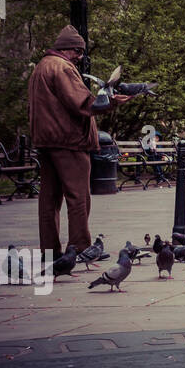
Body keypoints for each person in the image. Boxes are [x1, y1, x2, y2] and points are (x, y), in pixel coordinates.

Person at [27, 25, 132, 257]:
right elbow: (82, 103)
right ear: (67, 49)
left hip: (46, 141)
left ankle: (49, 251)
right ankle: (80, 248)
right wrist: (113, 101)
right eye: (78, 51)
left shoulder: (41, 68)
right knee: (78, 197)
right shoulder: (63, 68)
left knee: (49, 200)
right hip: (68, 141)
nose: (80, 57)